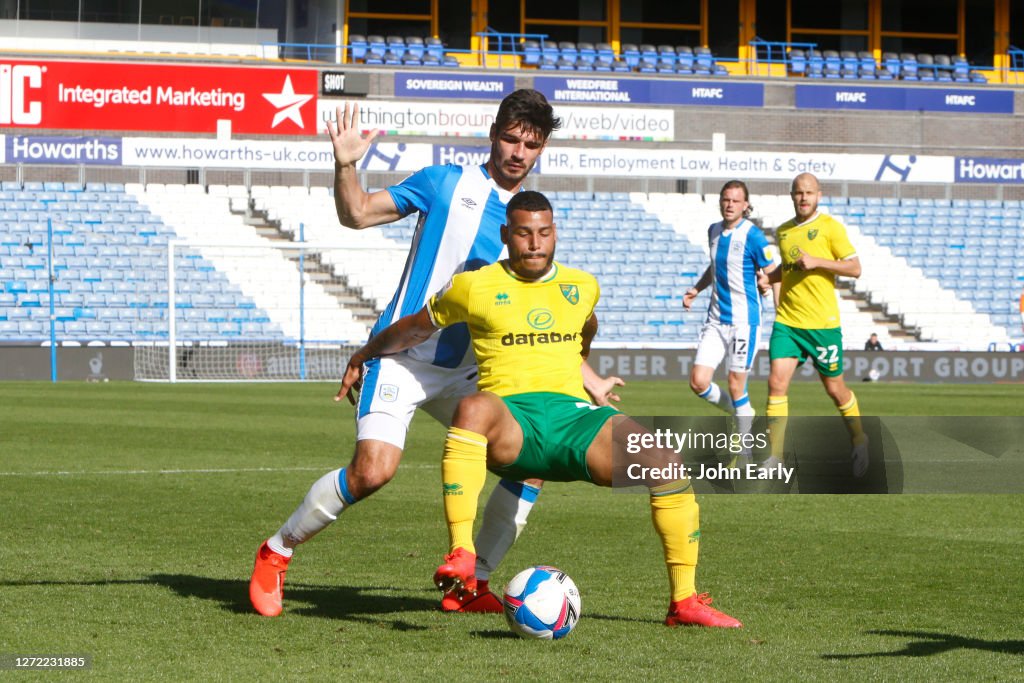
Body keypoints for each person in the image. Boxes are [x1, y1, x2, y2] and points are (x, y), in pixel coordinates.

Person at [249, 90, 621, 617]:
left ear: (541, 151)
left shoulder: (526, 224)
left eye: (531, 145)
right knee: (372, 472)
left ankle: (473, 584)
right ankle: (277, 550)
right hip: (403, 357)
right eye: (511, 139)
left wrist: (586, 375)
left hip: (471, 373)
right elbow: (355, 213)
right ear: (494, 134)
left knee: (529, 462)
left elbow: (530, 316)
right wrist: (345, 164)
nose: (518, 152)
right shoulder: (444, 183)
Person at [338, 191, 742, 628]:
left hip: (574, 420)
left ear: (555, 235)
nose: (535, 242)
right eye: (524, 233)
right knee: (473, 406)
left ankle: (683, 602)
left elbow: (585, 330)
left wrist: (590, 379)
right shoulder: (472, 286)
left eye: (544, 233)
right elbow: (415, 329)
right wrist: (365, 354)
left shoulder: (582, 286)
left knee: (666, 460)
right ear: (505, 235)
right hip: (512, 421)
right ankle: (462, 554)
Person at [760, 173, 868, 476]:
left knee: (836, 390)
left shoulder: (830, 228)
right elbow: (789, 268)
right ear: (791, 196)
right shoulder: (783, 232)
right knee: (776, 384)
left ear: (818, 195)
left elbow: (855, 268)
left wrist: (820, 261)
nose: (803, 197)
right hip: (788, 322)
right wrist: (770, 278)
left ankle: (860, 439)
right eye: (798, 193)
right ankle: (776, 457)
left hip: (822, 325)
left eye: (809, 192)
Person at [683, 180, 778, 448]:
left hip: (744, 322)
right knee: (698, 382)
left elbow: (772, 272)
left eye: (735, 200)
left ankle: (746, 452)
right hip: (715, 320)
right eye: (726, 199)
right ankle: (742, 414)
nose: (729, 204)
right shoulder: (713, 230)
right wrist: (696, 289)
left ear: (745, 205)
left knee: (737, 385)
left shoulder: (754, 236)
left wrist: (767, 284)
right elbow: (715, 267)